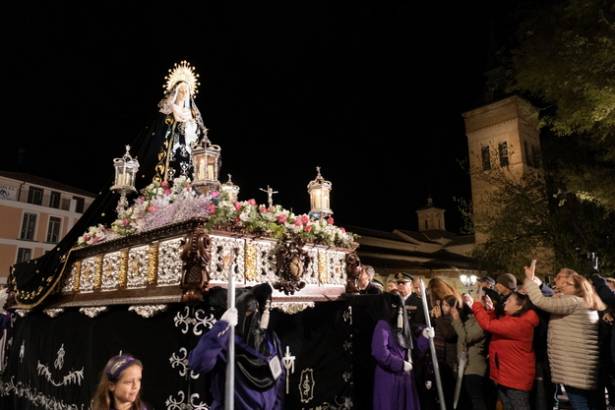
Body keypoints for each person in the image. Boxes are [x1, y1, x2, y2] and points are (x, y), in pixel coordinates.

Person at [188, 283, 284, 410]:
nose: (261, 316)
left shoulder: (270, 341)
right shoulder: (226, 341)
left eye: (264, 310)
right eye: (250, 311)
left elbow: (279, 381)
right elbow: (197, 363)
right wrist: (223, 325)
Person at [524, 265, 604, 410]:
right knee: (586, 402)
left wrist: (530, 281)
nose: (555, 279)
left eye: (559, 277)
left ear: (569, 283)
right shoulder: (581, 301)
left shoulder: (572, 302)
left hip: (574, 365)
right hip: (580, 363)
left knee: (579, 403)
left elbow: (541, 301)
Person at [472, 290, 539, 410]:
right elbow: (495, 324)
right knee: (508, 406)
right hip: (507, 374)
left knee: (519, 407)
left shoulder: (520, 323)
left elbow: (488, 325)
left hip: (515, 377)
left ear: (519, 306)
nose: (505, 302)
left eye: (510, 300)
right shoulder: (512, 318)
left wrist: (476, 304)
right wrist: (490, 311)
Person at [371, 292, 435, 410]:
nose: (400, 312)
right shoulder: (383, 325)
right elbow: (379, 352)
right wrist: (400, 364)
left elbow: (413, 351)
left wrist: (424, 338)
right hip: (389, 378)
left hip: (404, 378)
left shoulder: (405, 326)